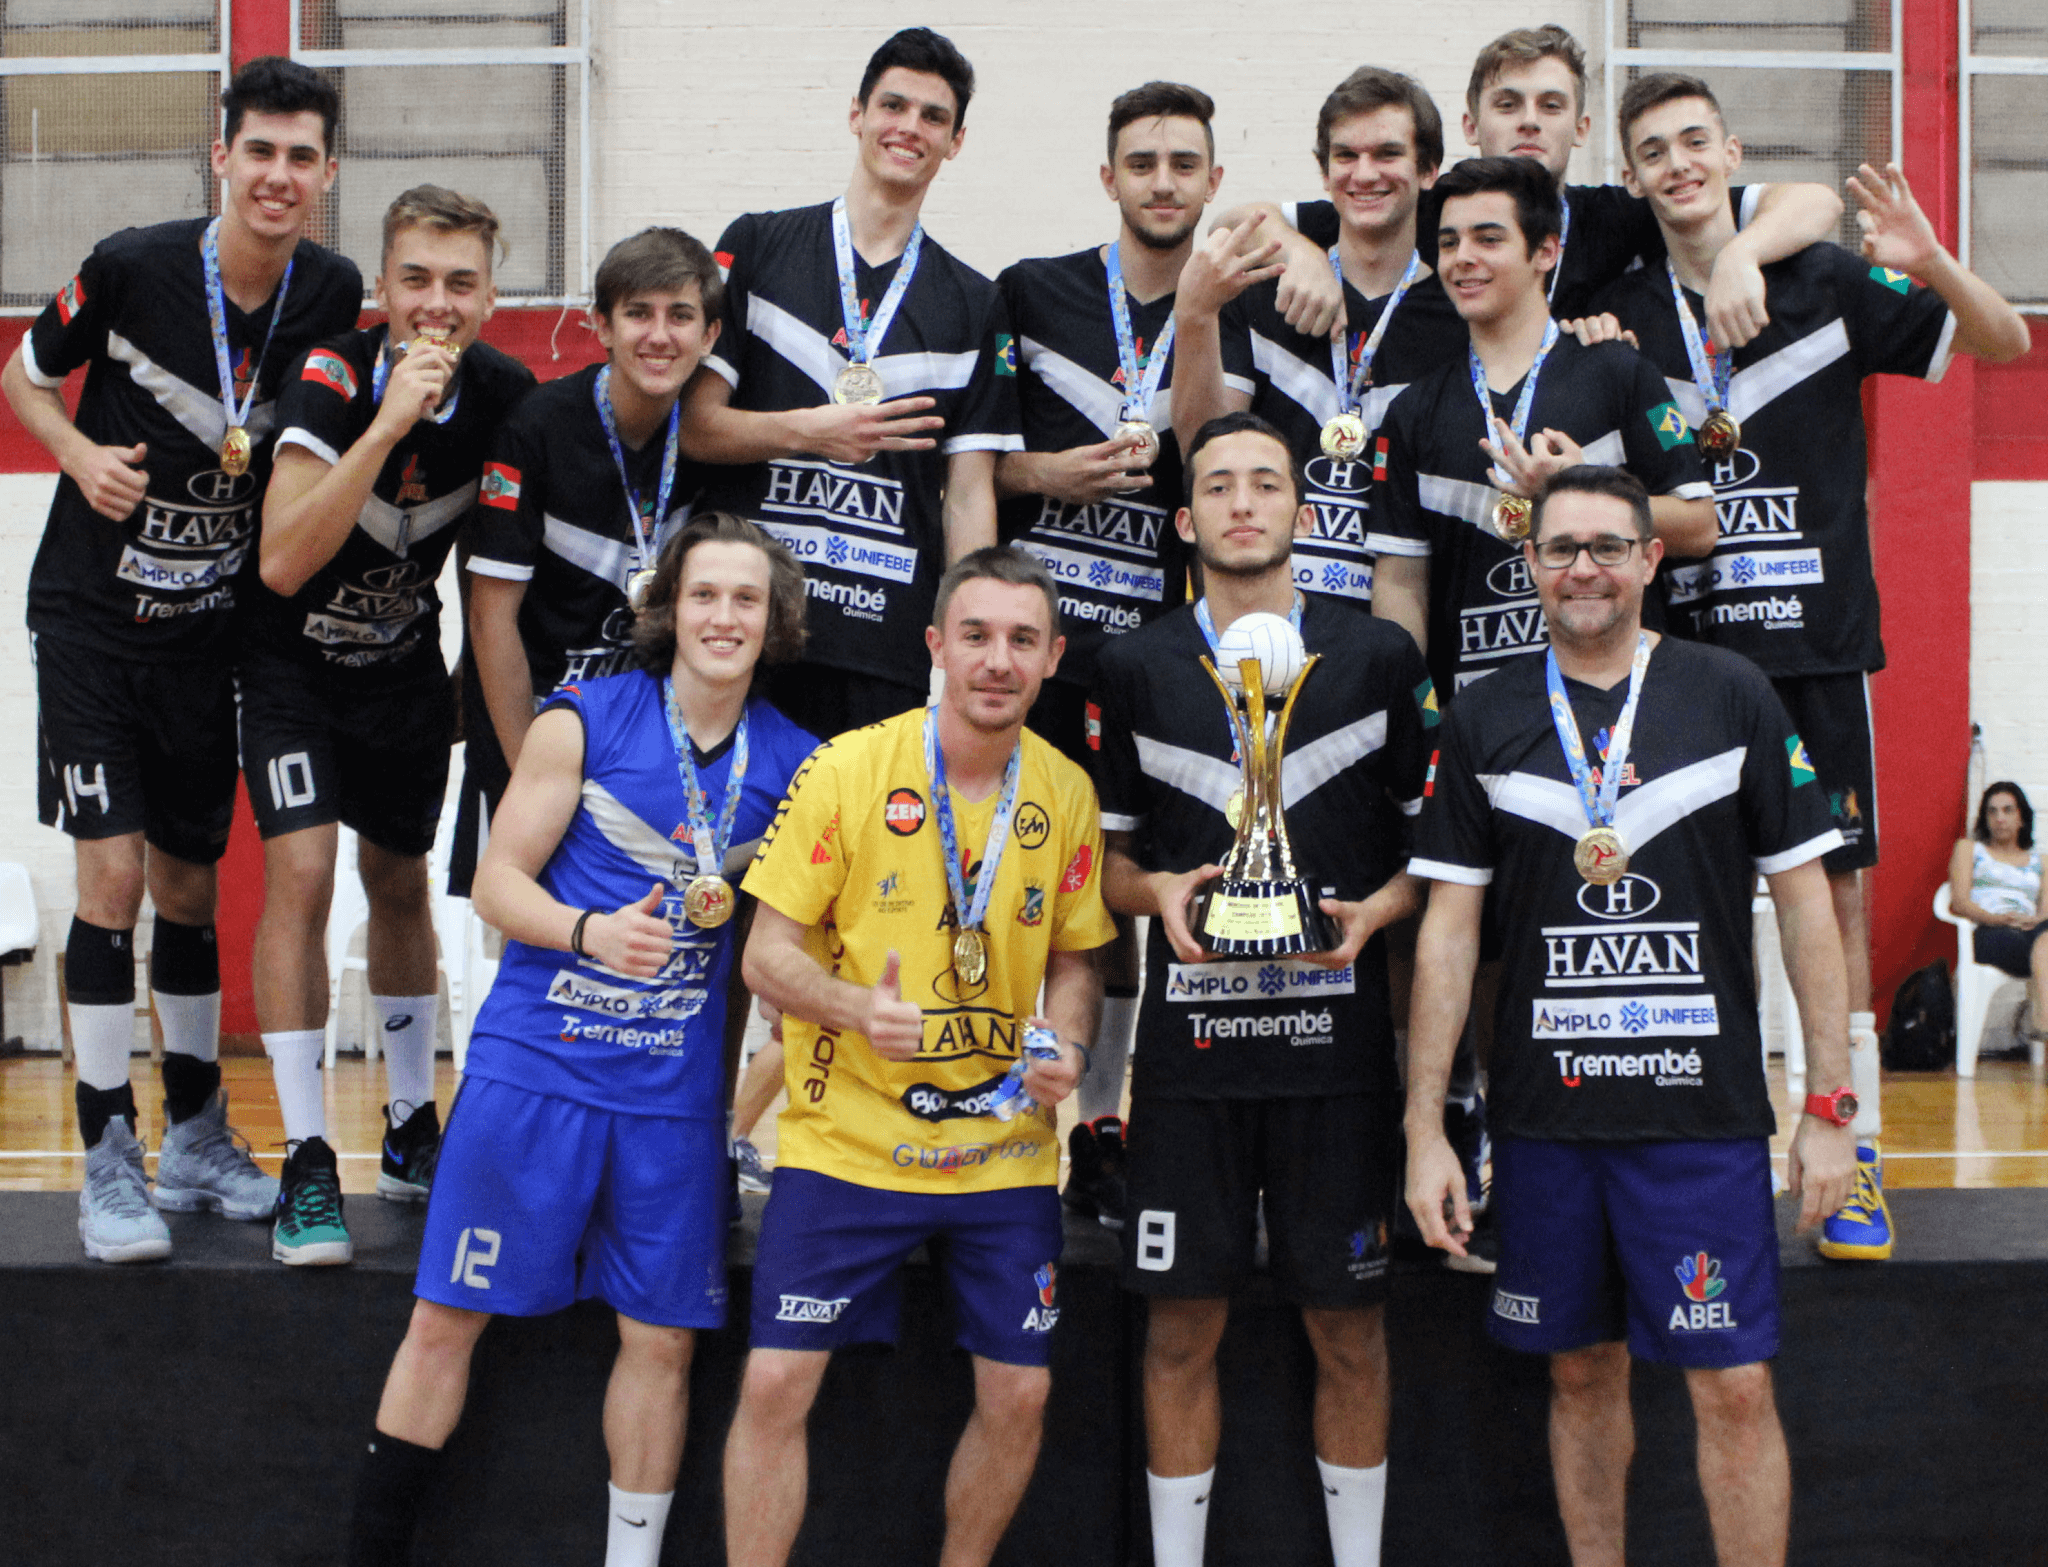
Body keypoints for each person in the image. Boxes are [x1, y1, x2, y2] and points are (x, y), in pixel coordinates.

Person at [1597, 72, 2031, 1261]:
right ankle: (1718, 1142)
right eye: (1653, 150)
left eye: (1695, 140)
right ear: (1631, 178)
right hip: (1673, 659)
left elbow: (1997, 340)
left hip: (1815, 650)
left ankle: (1851, 1145)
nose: (1677, 162)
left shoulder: (1825, 280)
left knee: (1832, 894)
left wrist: (1932, 258)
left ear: (1729, 150)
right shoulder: (1616, 306)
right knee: (1686, 902)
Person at [1404, 464, 1857, 1567]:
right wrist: (1425, 1126)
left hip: (1699, 1123)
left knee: (1735, 1386)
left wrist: (1830, 1104)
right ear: (1528, 566)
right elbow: (1448, 935)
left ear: (1653, 559)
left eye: (1608, 545)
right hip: (1544, 1122)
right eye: (1559, 549)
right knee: (1576, 1370)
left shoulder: (1729, 691)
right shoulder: (1482, 716)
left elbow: (1805, 908)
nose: (1583, 569)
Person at [345, 513, 819, 1567]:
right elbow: (493, 884)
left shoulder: (800, 765)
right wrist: (589, 931)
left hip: (668, 1105)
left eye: (746, 599)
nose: (724, 617)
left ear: (774, 621)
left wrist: (736, 1110)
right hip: (535, 1077)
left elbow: (794, 956)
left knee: (660, 1342)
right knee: (445, 1319)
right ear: (667, 608)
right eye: (705, 595)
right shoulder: (584, 721)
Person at [0, 57, 362, 1263]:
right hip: (95, 626)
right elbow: (24, 375)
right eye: (259, 149)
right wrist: (69, 451)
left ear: (323, 174)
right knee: (108, 886)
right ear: (223, 156)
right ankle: (107, 1151)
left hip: (211, 637)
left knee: (191, 887)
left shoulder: (330, 293)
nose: (278, 174)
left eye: (301, 155)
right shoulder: (130, 266)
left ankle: (195, 1133)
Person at [725, 545, 1112, 1567]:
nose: (997, 659)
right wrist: (852, 1006)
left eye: (1021, 640)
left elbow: (1079, 960)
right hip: (845, 1139)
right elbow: (765, 953)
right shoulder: (847, 768)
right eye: (976, 635)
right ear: (935, 644)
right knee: (772, 1381)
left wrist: (1067, 1042)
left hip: (999, 1148)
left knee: (1021, 1389)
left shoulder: (1065, 792)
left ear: (1051, 657)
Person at [1092, 412, 1433, 1567]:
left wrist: (1377, 911)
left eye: (1266, 484)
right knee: (1180, 1326)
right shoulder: (1134, 664)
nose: (1243, 502)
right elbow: (1108, 863)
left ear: (1302, 512)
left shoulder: (1379, 656)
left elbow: (1433, 852)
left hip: (1334, 1062)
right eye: (1219, 486)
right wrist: (1157, 900)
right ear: (1186, 521)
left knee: (1349, 1326)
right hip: (1189, 1066)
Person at [248, 186, 535, 1264]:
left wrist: (484, 697)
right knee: (305, 875)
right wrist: (387, 425)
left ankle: (413, 1125)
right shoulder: (330, 375)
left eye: (460, 283)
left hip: (404, 675)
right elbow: (281, 558)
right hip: (291, 672)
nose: (436, 303)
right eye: (415, 278)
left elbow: (495, 563)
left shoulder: (507, 393)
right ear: (382, 287)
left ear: (490, 297)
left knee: (401, 882)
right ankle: (307, 1157)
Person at [995, 79, 1227, 1227]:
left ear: (1213, 181)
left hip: (1145, 666)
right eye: (1141, 162)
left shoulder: (1233, 305)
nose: (1163, 182)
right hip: (1031, 656)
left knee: (1116, 900)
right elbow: (964, 462)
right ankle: (993, 1116)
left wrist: (1209, 307)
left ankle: (1096, 1122)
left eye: (1184, 163)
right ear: (1107, 179)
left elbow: (1213, 452)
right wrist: (1047, 474)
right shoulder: (1030, 294)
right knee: (1003, 886)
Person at [682, 26, 1020, 742]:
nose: (909, 128)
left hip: (881, 636)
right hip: (745, 624)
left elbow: (967, 493)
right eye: (893, 105)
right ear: (856, 115)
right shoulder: (761, 247)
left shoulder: (974, 301)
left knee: (864, 854)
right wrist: (810, 430)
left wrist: (968, 635)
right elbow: (697, 427)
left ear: (956, 140)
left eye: (933, 116)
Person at [1229, 26, 1843, 353]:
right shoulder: (1420, 207)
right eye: (1507, 103)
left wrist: (1741, 253)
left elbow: (1818, 201)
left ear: (1580, 128)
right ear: (1471, 126)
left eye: (1550, 105)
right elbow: (1235, 220)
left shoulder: (1620, 213)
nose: (1529, 120)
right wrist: (1300, 250)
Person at [1370, 155, 1718, 701]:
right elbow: (1399, 584)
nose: (1463, 259)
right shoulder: (1412, 413)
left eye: (1488, 239)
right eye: (1448, 242)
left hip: (1618, 703)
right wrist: (1419, 717)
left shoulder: (1620, 371)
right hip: (1478, 715)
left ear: (1545, 252)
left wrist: (1583, 485)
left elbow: (1700, 527)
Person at [455, 226, 724, 894]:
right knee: (535, 942)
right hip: (536, 723)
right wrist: (528, 782)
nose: (659, 336)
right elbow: (492, 620)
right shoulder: (536, 426)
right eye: (638, 313)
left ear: (710, 335)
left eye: (680, 316)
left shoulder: (714, 444)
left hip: (649, 740)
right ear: (600, 325)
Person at [1171, 66, 1468, 608]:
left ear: (1428, 170)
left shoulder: (1461, 315)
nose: (1365, 173)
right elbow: (1202, 440)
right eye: (1346, 156)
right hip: (1265, 606)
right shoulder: (1262, 288)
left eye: (1387, 154)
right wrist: (1196, 311)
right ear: (1324, 170)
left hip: (1402, 609)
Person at [1949, 783, 2048, 1046]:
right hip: (1990, 932)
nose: (1999, 818)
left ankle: (2043, 1021)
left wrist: (2034, 920)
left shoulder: (2042, 861)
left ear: (2022, 818)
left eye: (2007, 810)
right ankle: (2042, 1023)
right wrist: (1997, 919)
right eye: (1992, 812)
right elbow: (1959, 902)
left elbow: (2045, 910)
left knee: (2045, 937)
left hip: (2031, 932)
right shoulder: (1970, 849)